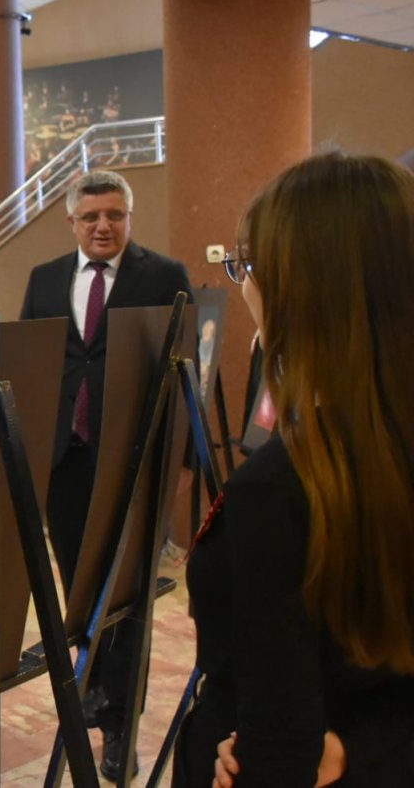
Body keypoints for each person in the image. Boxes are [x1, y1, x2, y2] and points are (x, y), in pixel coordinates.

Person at [178, 153, 414, 787]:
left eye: (248, 265)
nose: (242, 285)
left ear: (301, 287)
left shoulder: (279, 488)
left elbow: (279, 741)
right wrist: (368, 751)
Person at [19, 169, 191, 781]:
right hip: (63, 461)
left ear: (129, 217)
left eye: (114, 215)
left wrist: (183, 462)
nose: (102, 226)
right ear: (71, 221)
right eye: (90, 216)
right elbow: (32, 365)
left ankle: (123, 722)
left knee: (130, 597)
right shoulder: (43, 280)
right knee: (79, 585)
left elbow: (184, 371)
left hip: (130, 461)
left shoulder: (163, 275)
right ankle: (90, 690)